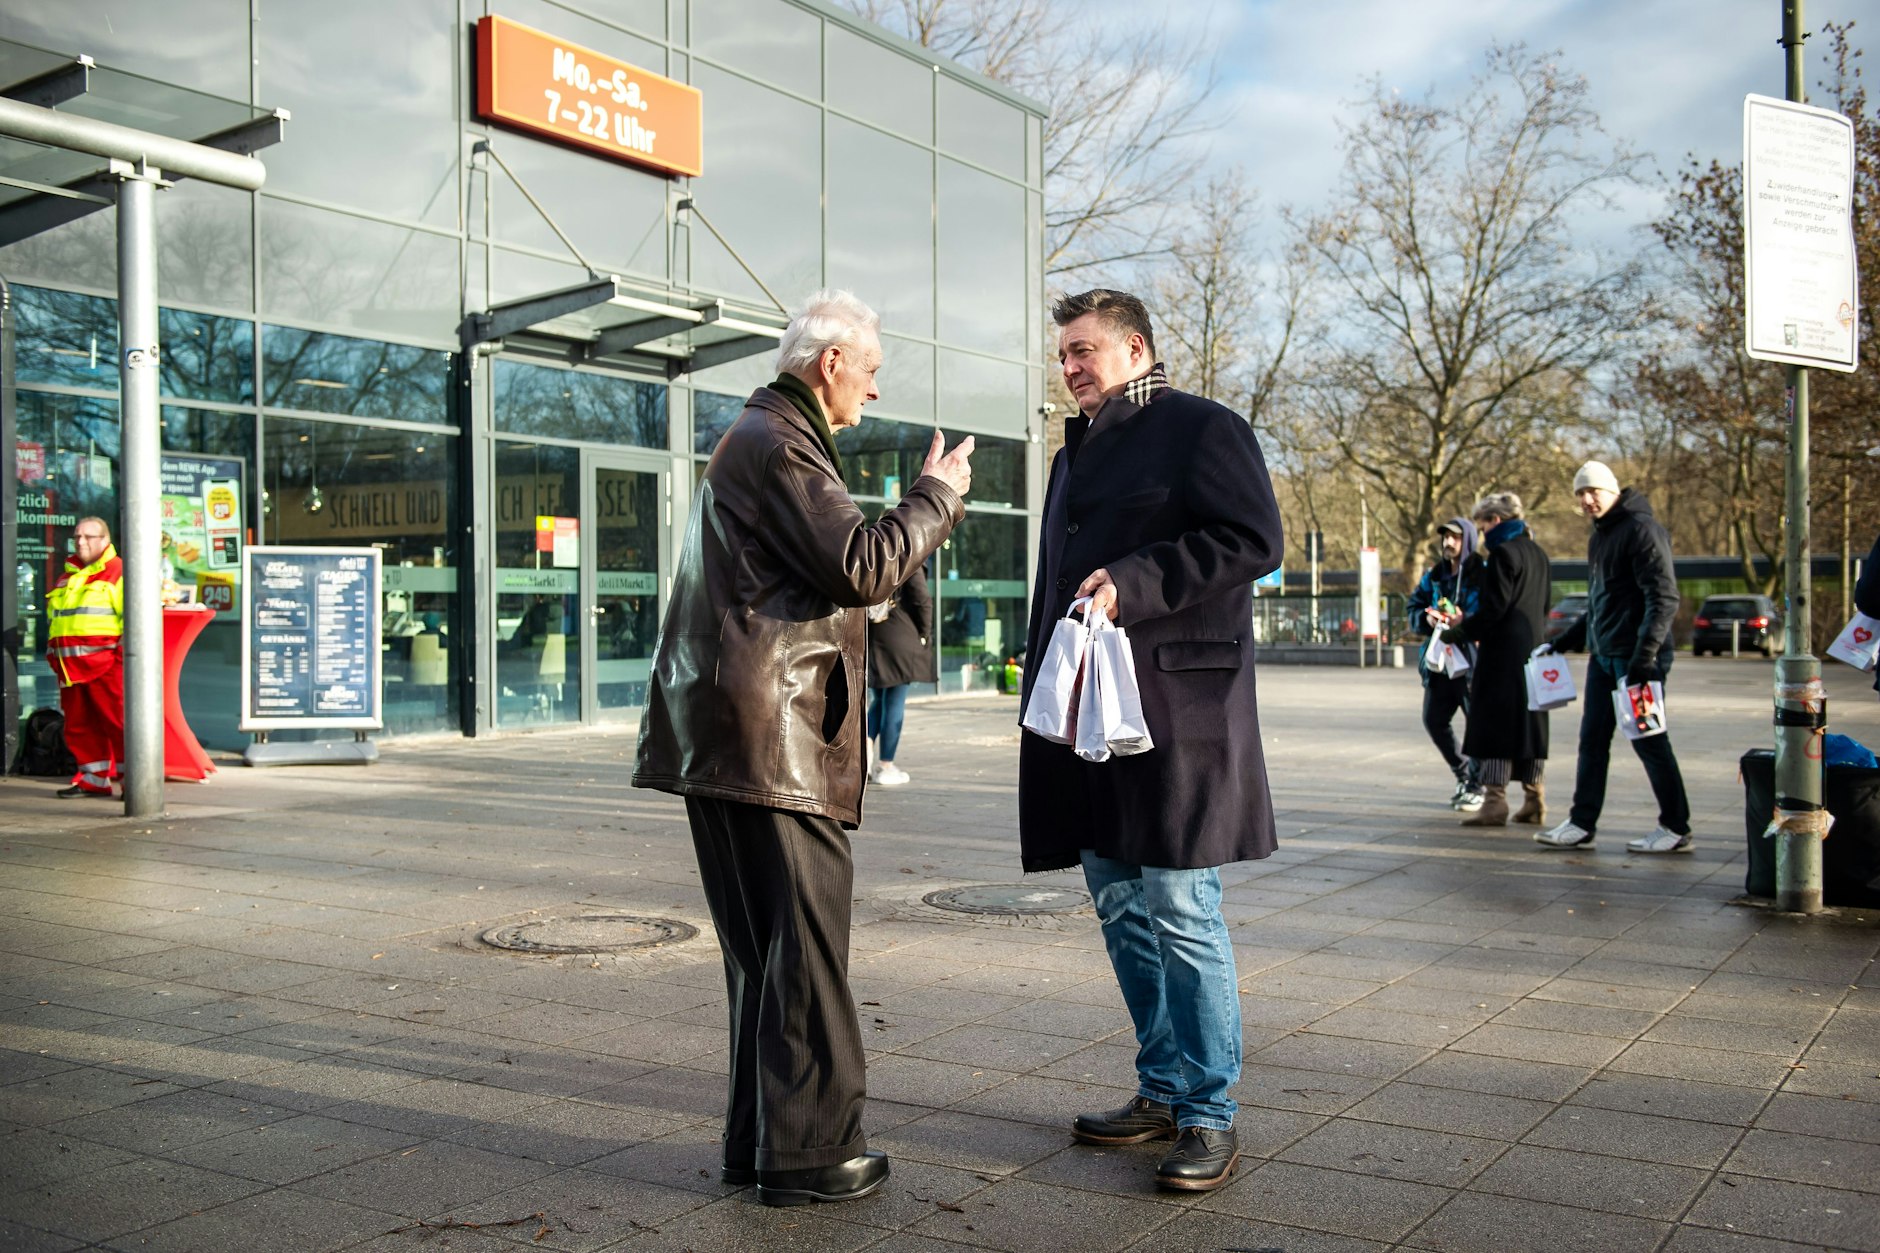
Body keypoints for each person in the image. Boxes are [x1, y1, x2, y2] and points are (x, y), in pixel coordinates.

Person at [632, 290, 974, 1207]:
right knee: (807, 948)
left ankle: (760, 1147)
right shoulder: (781, 443)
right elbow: (864, 563)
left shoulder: (757, 438)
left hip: (733, 739)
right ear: (829, 363)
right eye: (868, 371)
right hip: (772, 745)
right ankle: (812, 1154)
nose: (871, 389)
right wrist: (936, 497)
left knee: (765, 953)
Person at [1018, 289, 1283, 1193]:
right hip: (1089, 717)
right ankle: (1164, 1085)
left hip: (1178, 712)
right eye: (1063, 354)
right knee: (1119, 899)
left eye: (1084, 349)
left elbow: (1254, 538)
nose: (1071, 366)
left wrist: (1136, 580)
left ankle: (1210, 1112)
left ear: (1136, 348)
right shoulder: (1072, 454)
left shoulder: (1204, 429)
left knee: (1179, 902)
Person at [1534, 461, 1692, 853]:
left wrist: (1645, 658)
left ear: (1613, 490)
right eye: (1581, 494)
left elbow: (1664, 598)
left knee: (1650, 741)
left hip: (1638, 659)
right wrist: (1562, 641)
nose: (1587, 500)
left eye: (1594, 491)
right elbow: (1600, 604)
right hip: (1605, 659)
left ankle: (1676, 827)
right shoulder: (1600, 536)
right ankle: (1582, 823)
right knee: (1591, 741)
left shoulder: (1642, 531)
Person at [1441, 493, 1549, 827]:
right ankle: (1534, 798)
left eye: (1484, 523)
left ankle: (1495, 801)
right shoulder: (1538, 552)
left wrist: (1461, 630)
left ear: (1496, 520)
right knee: (1530, 725)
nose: (1483, 532)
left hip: (1501, 654)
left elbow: (1494, 609)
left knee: (1494, 726)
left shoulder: (1502, 554)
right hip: (1532, 649)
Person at [1406, 517, 1486, 811]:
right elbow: (1414, 605)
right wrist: (1425, 620)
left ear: (1468, 540)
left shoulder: (1482, 573)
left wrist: (1467, 620)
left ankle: (1477, 786)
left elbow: (1491, 609)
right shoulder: (1435, 575)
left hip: (1470, 663)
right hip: (1438, 663)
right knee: (1434, 720)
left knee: (1477, 726)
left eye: (1455, 538)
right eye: (1445, 538)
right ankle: (1463, 774)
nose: (1448, 543)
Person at [46, 516, 124, 799]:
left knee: (119, 724)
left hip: (106, 665)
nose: (80, 542)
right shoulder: (68, 576)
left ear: (104, 540)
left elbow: (135, 622)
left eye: (88, 537)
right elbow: (57, 619)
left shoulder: (118, 572)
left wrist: (120, 659)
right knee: (80, 727)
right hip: (70, 667)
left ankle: (135, 782)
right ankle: (93, 780)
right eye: (77, 537)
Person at [866, 564, 934, 786]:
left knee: (879, 700)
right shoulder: (909, 559)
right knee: (895, 699)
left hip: (875, 633)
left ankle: (863, 756)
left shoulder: (876, 552)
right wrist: (924, 632)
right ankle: (886, 766)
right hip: (899, 634)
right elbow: (922, 599)